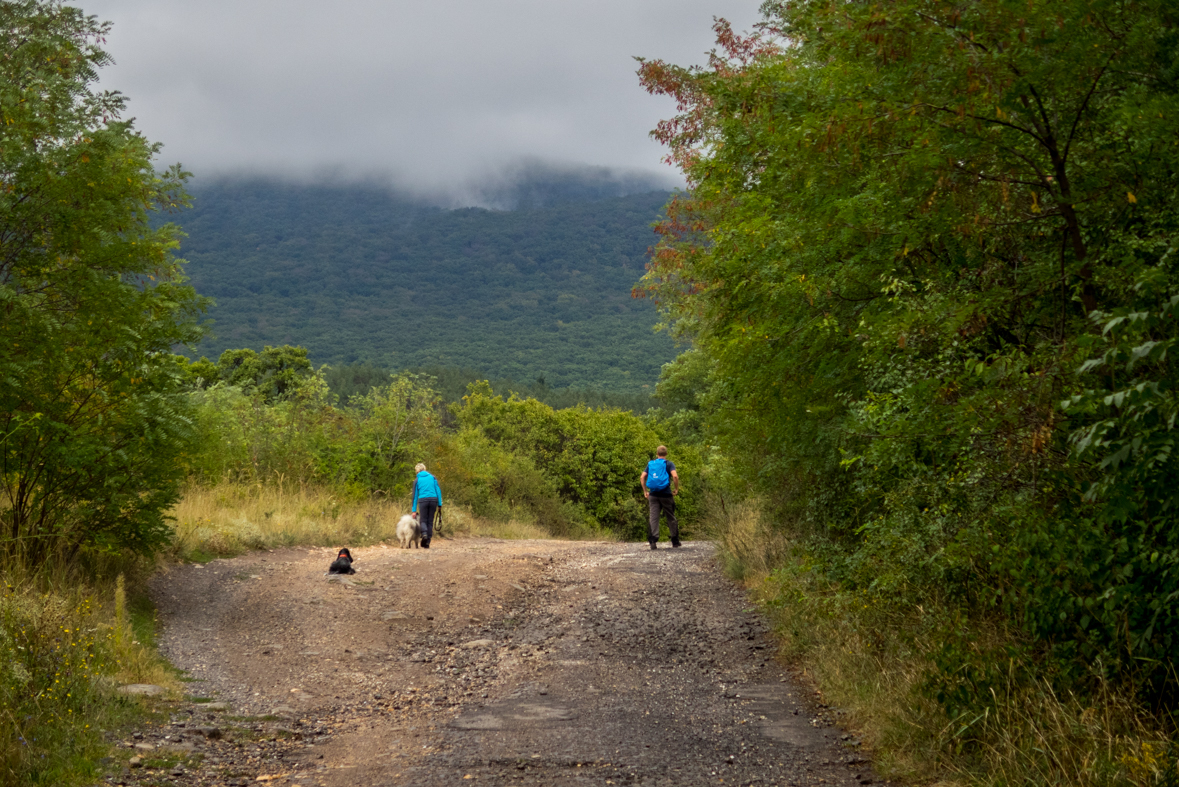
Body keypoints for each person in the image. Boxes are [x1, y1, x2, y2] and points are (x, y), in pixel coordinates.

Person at [640, 445, 680, 550]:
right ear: (666, 454)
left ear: (657, 454)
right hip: (666, 494)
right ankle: (675, 541)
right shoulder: (669, 464)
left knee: (653, 517)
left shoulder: (651, 464)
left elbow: (642, 477)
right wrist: (676, 489)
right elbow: (675, 476)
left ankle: (653, 540)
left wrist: (645, 491)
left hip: (653, 495)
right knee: (670, 516)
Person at [411, 462, 443, 549]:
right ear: (425, 469)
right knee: (430, 521)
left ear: (417, 471)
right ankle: (427, 541)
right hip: (433, 500)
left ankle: (424, 534)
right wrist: (440, 504)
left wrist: (414, 510)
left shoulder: (417, 480)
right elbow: (438, 491)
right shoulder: (433, 478)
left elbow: (415, 496)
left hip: (423, 501)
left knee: (423, 520)